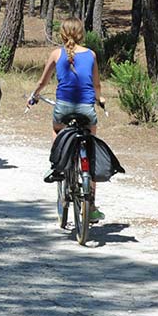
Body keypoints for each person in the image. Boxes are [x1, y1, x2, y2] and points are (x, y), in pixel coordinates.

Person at [27, 18, 107, 219]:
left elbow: (42, 81)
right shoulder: (91, 54)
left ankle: (57, 165)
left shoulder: (56, 54)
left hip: (63, 108)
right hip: (87, 110)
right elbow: (96, 86)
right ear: (81, 34)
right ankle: (92, 205)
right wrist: (100, 99)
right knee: (90, 149)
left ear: (62, 35)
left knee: (56, 130)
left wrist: (34, 95)